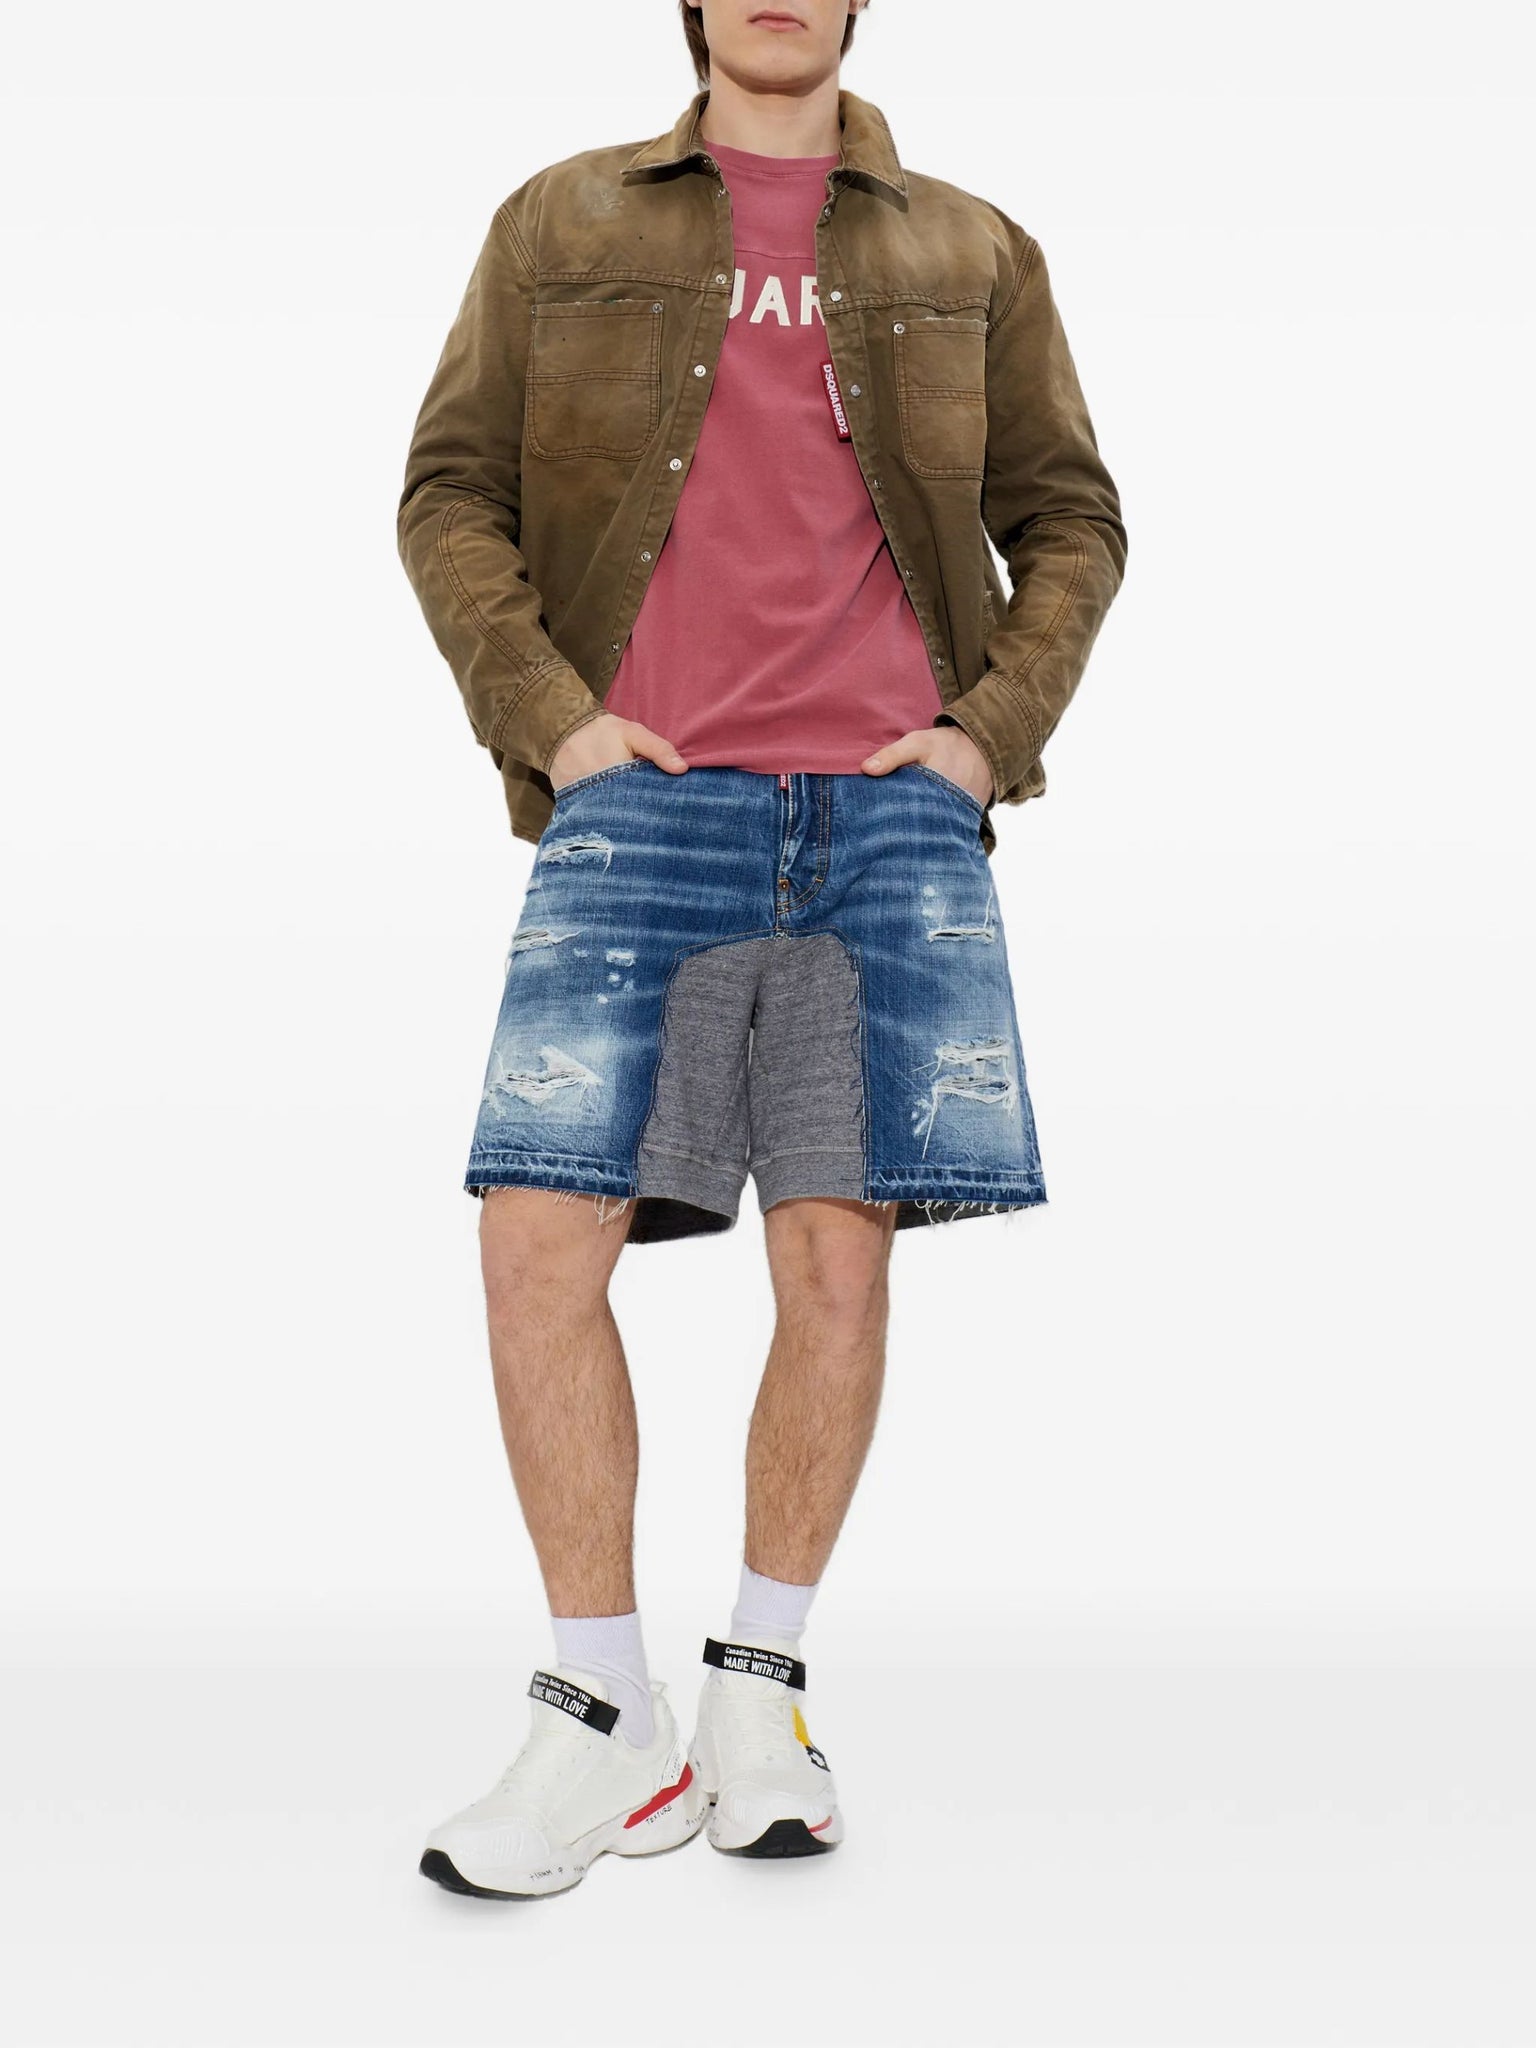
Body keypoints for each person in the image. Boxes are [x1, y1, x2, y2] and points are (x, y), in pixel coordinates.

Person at [396, 0, 1126, 1898]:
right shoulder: (563, 218)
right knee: (536, 1238)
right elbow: (450, 491)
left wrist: (985, 737)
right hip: (644, 798)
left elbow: (1069, 518)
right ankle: (598, 1716)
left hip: (886, 812)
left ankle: (756, 1693)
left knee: (836, 1256)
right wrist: (552, 723)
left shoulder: (972, 245)